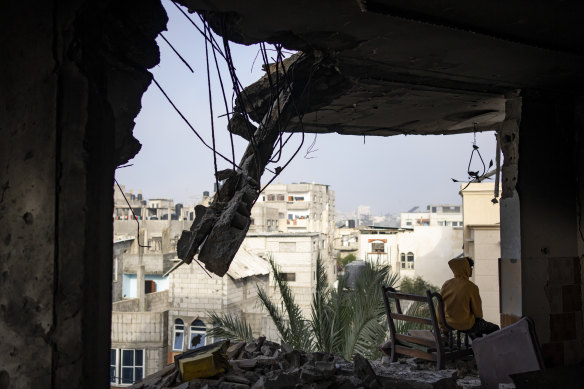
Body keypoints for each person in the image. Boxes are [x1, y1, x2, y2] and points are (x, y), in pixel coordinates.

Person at [438, 257, 499, 339]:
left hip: (447, 322)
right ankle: (482, 348)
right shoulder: (471, 287)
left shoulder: (446, 284)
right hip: (464, 324)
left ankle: (477, 345)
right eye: (471, 267)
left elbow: (439, 307)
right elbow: (478, 314)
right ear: (466, 268)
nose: (471, 270)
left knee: (476, 325)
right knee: (494, 328)